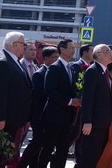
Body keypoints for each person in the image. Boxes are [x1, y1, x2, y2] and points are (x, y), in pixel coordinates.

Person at [0, 32, 33, 168]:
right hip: (3, 121)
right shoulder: (3, 62)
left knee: (2, 156)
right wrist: (0, 117)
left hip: (13, 119)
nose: (25, 47)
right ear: (15, 45)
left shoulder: (13, 60)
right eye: (24, 44)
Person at [38, 39, 81, 168]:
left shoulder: (72, 68)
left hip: (68, 117)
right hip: (54, 116)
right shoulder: (54, 68)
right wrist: (69, 101)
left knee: (63, 149)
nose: (73, 50)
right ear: (62, 49)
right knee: (48, 147)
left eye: (74, 48)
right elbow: (50, 91)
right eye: (71, 47)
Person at [79, 44, 112, 168]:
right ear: (99, 55)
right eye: (107, 51)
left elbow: (108, 97)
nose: (111, 53)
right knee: (89, 156)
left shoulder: (105, 72)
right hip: (93, 123)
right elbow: (87, 98)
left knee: (97, 156)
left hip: (103, 121)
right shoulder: (92, 71)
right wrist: (87, 121)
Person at [18, 46, 59, 168]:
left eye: (58, 57)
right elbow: (37, 94)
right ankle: (22, 164)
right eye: (54, 57)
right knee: (37, 141)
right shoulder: (39, 74)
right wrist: (53, 94)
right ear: (46, 58)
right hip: (39, 115)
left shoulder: (55, 72)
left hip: (49, 115)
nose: (57, 60)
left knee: (43, 143)